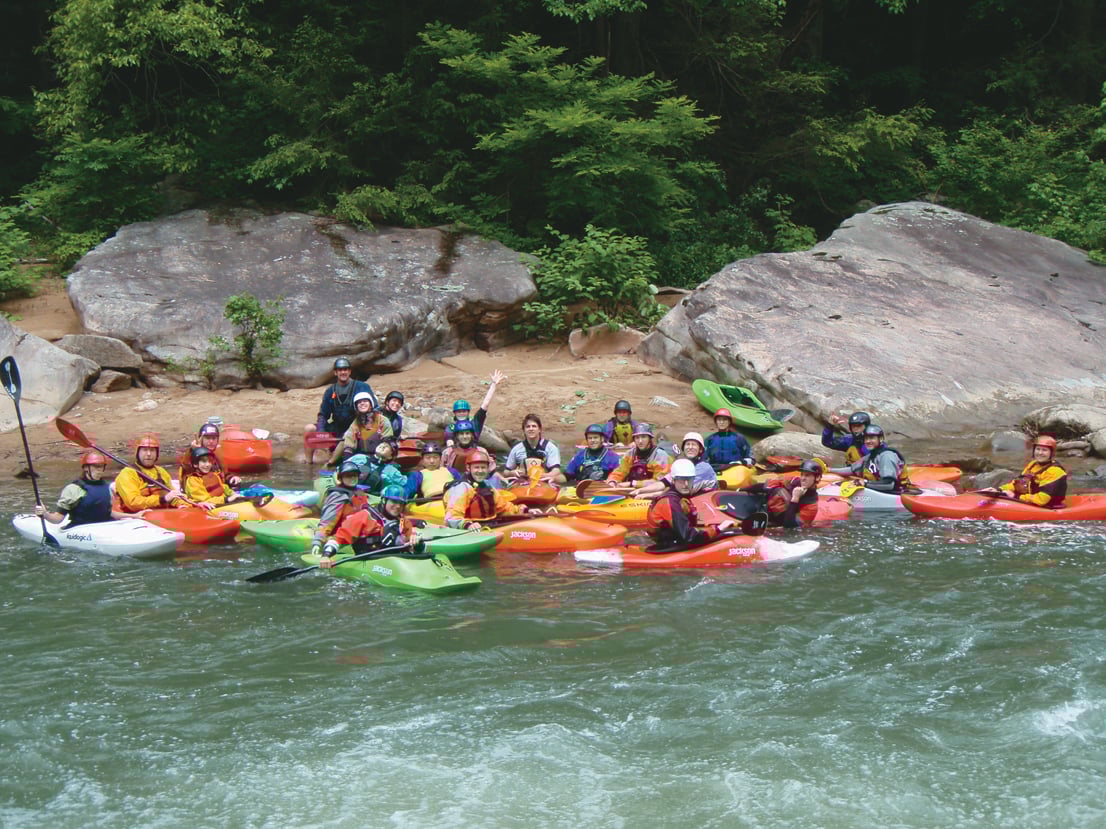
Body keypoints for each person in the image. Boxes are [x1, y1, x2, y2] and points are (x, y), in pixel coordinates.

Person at [319, 485, 418, 567]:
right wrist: (326, 555)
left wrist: (417, 542)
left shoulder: (403, 522)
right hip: (368, 560)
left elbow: (414, 546)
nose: (398, 507)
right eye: (394, 502)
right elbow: (338, 539)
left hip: (395, 562)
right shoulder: (364, 516)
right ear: (384, 500)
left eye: (401, 504)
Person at [645, 459, 735, 549]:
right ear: (673, 480)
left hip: (676, 539)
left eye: (689, 479)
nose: (686, 484)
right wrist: (718, 529)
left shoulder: (681, 496)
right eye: (681, 480)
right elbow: (691, 537)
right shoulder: (670, 501)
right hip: (667, 547)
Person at [444, 449, 540, 529]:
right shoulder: (462, 488)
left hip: (489, 524)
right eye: (476, 468)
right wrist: (467, 525)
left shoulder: (487, 485)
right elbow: (452, 516)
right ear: (468, 468)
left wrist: (524, 511)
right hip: (472, 528)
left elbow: (503, 507)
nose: (480, 471)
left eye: (483, 468)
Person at [35, 451, 128, 526]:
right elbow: (58, 519)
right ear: (86, 468)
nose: (99, 470)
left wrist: (133, 515)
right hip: (82, 529)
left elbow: (108, 513)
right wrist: (45, 514)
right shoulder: (73, 489)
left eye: (102, 466)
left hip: (103, 527)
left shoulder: (106, 486)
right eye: (96, 466)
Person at [114, 433, 187, 514]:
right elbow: (133, 503)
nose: (148, 454)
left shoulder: (161, 471)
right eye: (144, 450)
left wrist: (181, 504)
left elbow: (172, 495)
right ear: (138, 452)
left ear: (157, 453)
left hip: (162, 515)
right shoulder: (127, 474)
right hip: (136, 517)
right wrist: (162, 499)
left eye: (152, 450)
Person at [305, 357, 376, 439]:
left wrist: (367, 424)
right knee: (309, 428)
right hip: (336, 428)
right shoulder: (330, 391)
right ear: (335, 372)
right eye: (340, 370)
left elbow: (375, 408)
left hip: (357, 427)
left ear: (350, 371)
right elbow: (323, 414)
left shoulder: (362, 387)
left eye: (345, 369)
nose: (343, 372)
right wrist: (321, 430)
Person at [311, 460, 370, 555]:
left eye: (354, 475)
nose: (352, 478)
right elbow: (327, 521)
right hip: (341, 536)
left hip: (359, 533)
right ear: (341, 478)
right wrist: (317, 541)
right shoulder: (338, 496)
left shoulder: (360, 493)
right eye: (348, 476)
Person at [827, 424, 906, 493]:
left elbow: (889, 484)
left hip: (897, 493)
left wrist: (865, 483)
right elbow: (852, 470)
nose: (868, 441)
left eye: (872, 438)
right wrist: (829, 470)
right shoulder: (870, 457)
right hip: (880, 491)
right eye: (866, 438)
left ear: (880, 439)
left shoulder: (887, 456)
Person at [745, 459, 823, 528]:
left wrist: (795, 499)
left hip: (782, 521)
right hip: (766, 508)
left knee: (781, 493)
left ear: (817, 478)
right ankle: (762, 509)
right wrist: (741, 490)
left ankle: (768, 518)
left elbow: (789, 525)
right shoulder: (793, 481)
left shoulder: (811, 506)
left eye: (807, 475)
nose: (803, 478)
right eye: (802, 475)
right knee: (779, 490)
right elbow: (765, 486)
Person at [325, 390, 394, 468]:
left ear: (371, 405)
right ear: (356, 407)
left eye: (365, 401)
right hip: (362, 458)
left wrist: (378, 457)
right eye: (359, 402)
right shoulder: (355, 424)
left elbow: (388, 442)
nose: (362, 403)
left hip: (380, 458)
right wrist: (347, 463)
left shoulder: (383, 420)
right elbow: (349, 444)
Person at [997, 435, 1067, 507]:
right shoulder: (1032, 465)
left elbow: (1042, 499)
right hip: (1031, 502)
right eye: (1038, 449)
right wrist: (999, 490)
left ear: (1051, 453)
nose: (1040, 453)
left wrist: (1015, 497)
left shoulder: (1055, 471)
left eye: (1044, 450)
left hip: (1048, 507)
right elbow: (1016, 484)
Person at [445, 369, 506, 443]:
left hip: (474, 452)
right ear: (454, 413)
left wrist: (493, 384)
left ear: (468, 412)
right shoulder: (451, 427)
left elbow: (485, 404)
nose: (461, 413)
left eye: (464, 411)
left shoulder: (475, 423)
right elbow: (449, 441)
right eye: (459, 411)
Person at [503, 414, 565, 485]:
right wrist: (512, 473)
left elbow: (556, 471)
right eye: (528, 427)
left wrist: (544, 476)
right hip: (522, 483)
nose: (531, 429)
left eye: (534, 426)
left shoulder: (550, 448)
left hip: (544, 483)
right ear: (524, 430)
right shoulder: (516, 449)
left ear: (540, 429)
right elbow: (506, 472)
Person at [181, 447, 246, 509]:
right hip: (207, 508)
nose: (208, 464)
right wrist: (227, 499)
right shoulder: (193, 480)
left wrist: (232, 494)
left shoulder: (214, 474)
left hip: (220, 503)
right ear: (195, 464)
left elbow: (223, 487)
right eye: (204, 461)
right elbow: (205, 500)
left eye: (210, 461)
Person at [607, 423, 671, 486]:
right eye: (637, 438)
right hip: (631, 489)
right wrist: (613, 480)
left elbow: (659, 481)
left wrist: (632, 484)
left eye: (643, 437)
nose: (640, 441)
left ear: (650, 438)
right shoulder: (630, 453)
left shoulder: (660, 455)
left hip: (653, 491)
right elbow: (620, 471)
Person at [183, 422, 242, 488]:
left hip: (218, 488)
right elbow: (185, 469)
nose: (211, 441)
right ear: (201, 439)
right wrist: (192, 450)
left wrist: (231, 478)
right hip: (200, 491)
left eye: (214, 438)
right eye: (207, 438)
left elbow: (224, 474)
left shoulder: (217, 452)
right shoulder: (193, 454)